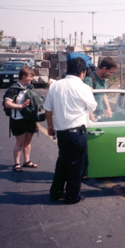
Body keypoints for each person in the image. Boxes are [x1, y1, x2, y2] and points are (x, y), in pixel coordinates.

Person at [44, 57, 97, 205]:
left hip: (62, 133)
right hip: (77, 133)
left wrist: (50, 126)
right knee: (76, 166)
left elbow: (48, 108)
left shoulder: (55, 86)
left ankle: (56, 192)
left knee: (62, 162)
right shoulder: (83, 88)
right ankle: (72, 196)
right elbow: (92, 107)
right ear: (82, 72)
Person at [4, 66, 38, 172]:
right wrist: (20, 106)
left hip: (30, 118)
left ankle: (27, 161)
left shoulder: (30, 87)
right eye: (30, 77)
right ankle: (17, 163)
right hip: (18, 118)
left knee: (28, 141)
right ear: (23, 76)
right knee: (20, 142)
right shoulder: (13, 89)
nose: (31, 79)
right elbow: (7, 103)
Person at [83, 56, 117, 122]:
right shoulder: (89, 80)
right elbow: (85, 99)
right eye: (110, 72)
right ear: (104, 69)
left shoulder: (103, 79)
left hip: (100, 114)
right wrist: (91, 116)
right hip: (91, 117)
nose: (111, 74)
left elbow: (103, 93)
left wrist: (108, 108)